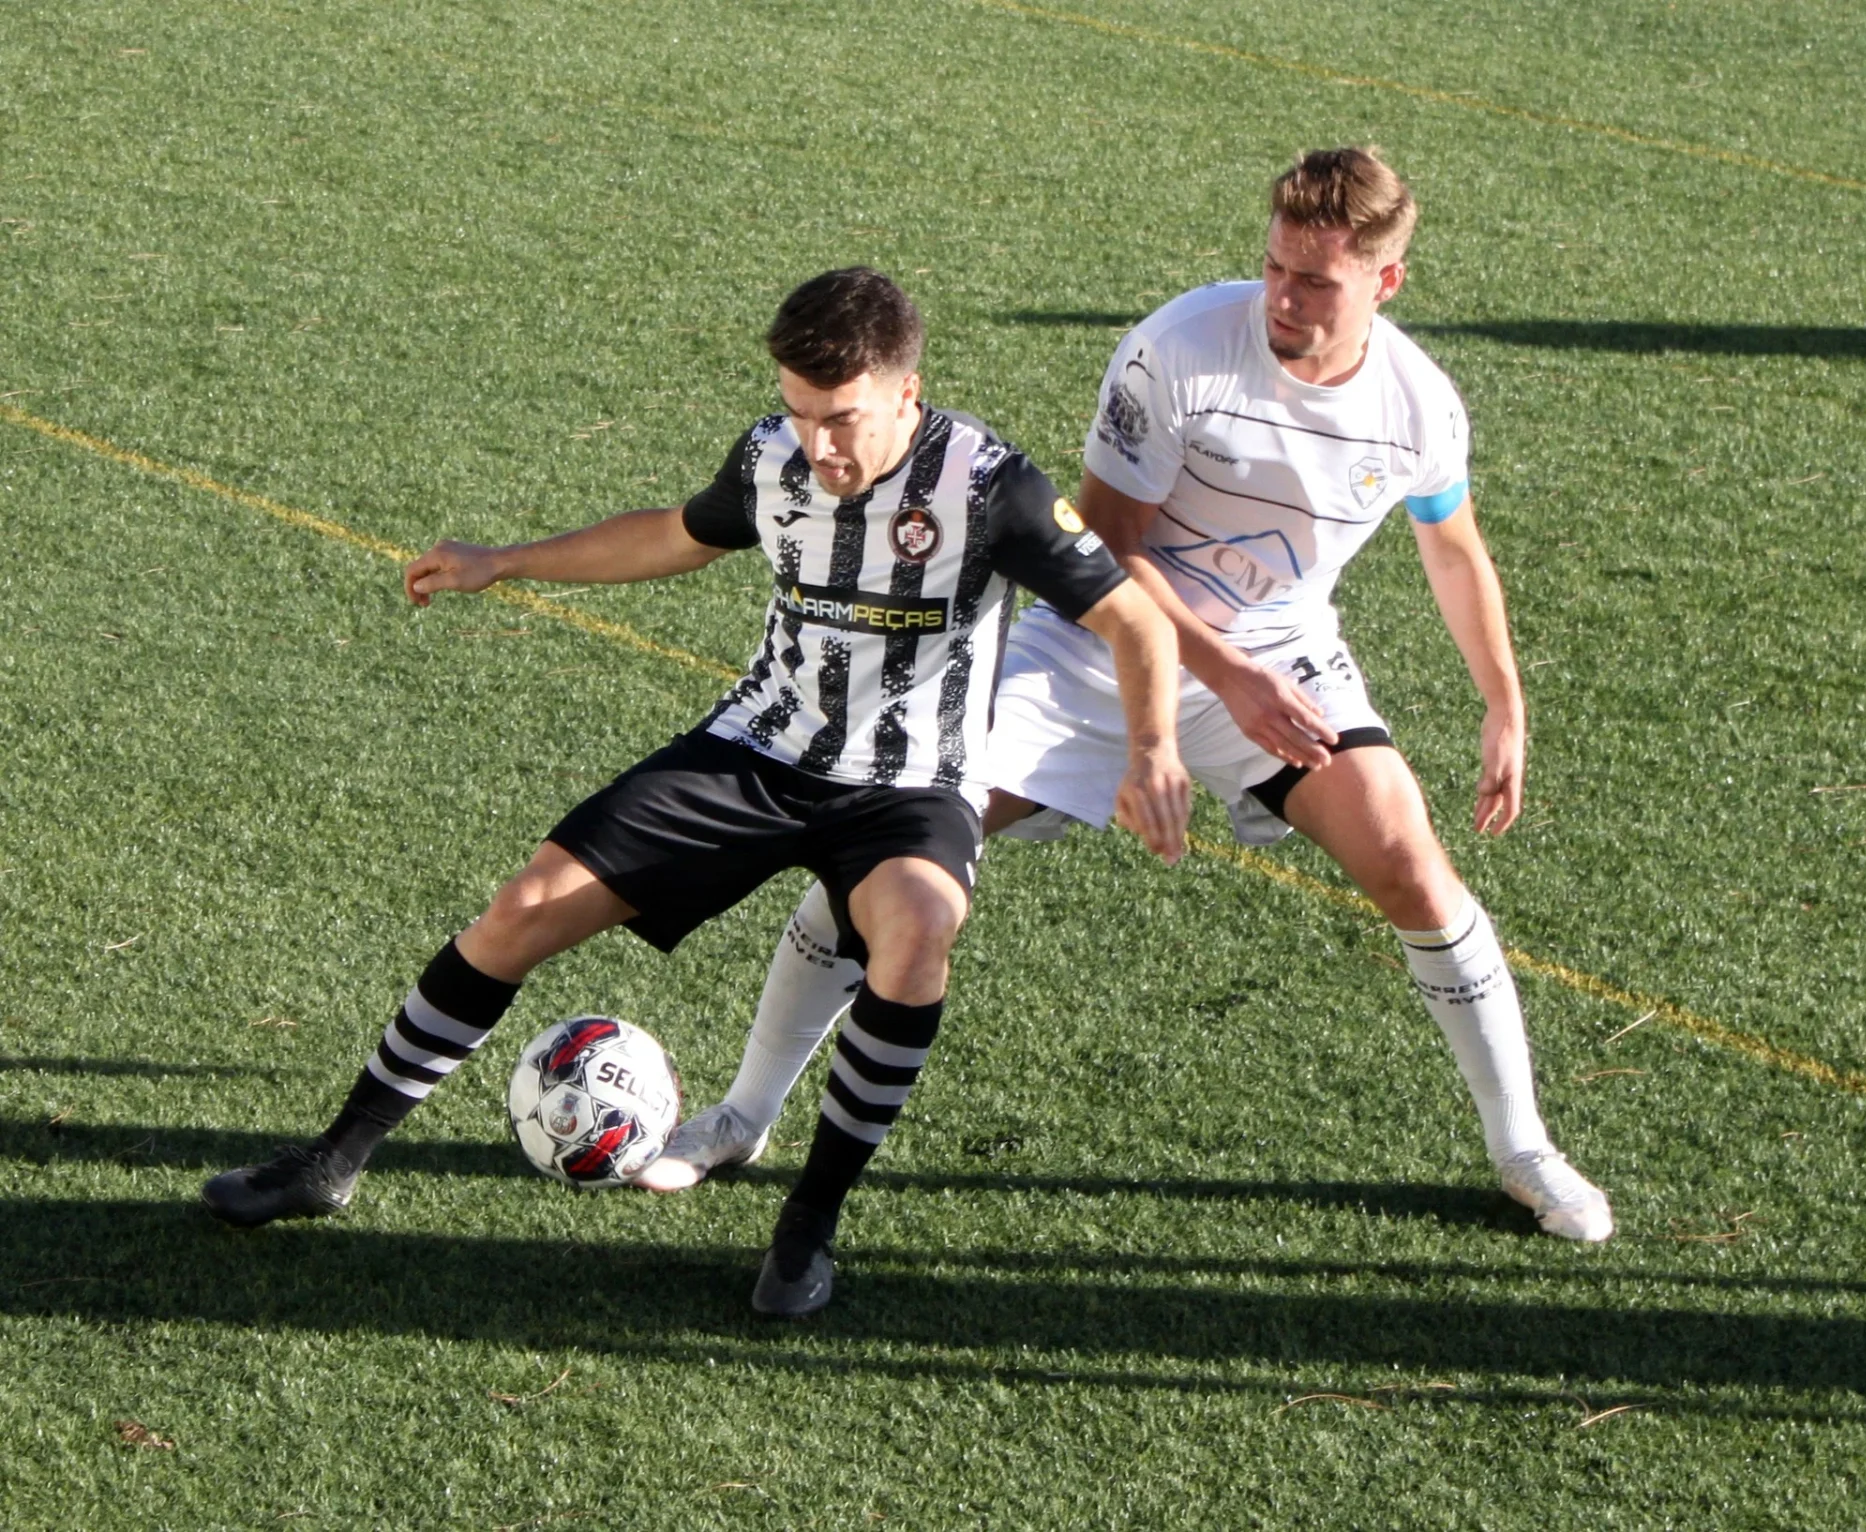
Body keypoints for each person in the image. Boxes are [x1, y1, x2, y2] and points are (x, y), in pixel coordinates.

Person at [642, 150, 1613, 1243]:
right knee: (888, 850)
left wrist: (1503, 698)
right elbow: (1106, 549)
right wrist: (1228, 678)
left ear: (1385, 283)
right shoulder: (1181, 347)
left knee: (1411, 864)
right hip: (1090, 650)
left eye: (1318, 282)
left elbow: (1454, 548)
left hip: (1281, 658)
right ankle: (744, 1109)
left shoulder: (1417, 405)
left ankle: (1524, 1144)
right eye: (1276, 267)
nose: (1285, 299)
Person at [200, 267, 1192, 1315]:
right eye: (801, 413)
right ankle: (332, 1160)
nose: (820, 444)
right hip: (757, 750)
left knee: (914, 935)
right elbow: (675, 534)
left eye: (842, 417)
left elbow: (1136, 621)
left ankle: (806, 1226)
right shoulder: (773, 458)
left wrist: (1155, 750)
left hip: (908, 785)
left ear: (908, 391)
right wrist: (508, 561)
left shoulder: (995, 486)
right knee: (520, 909)